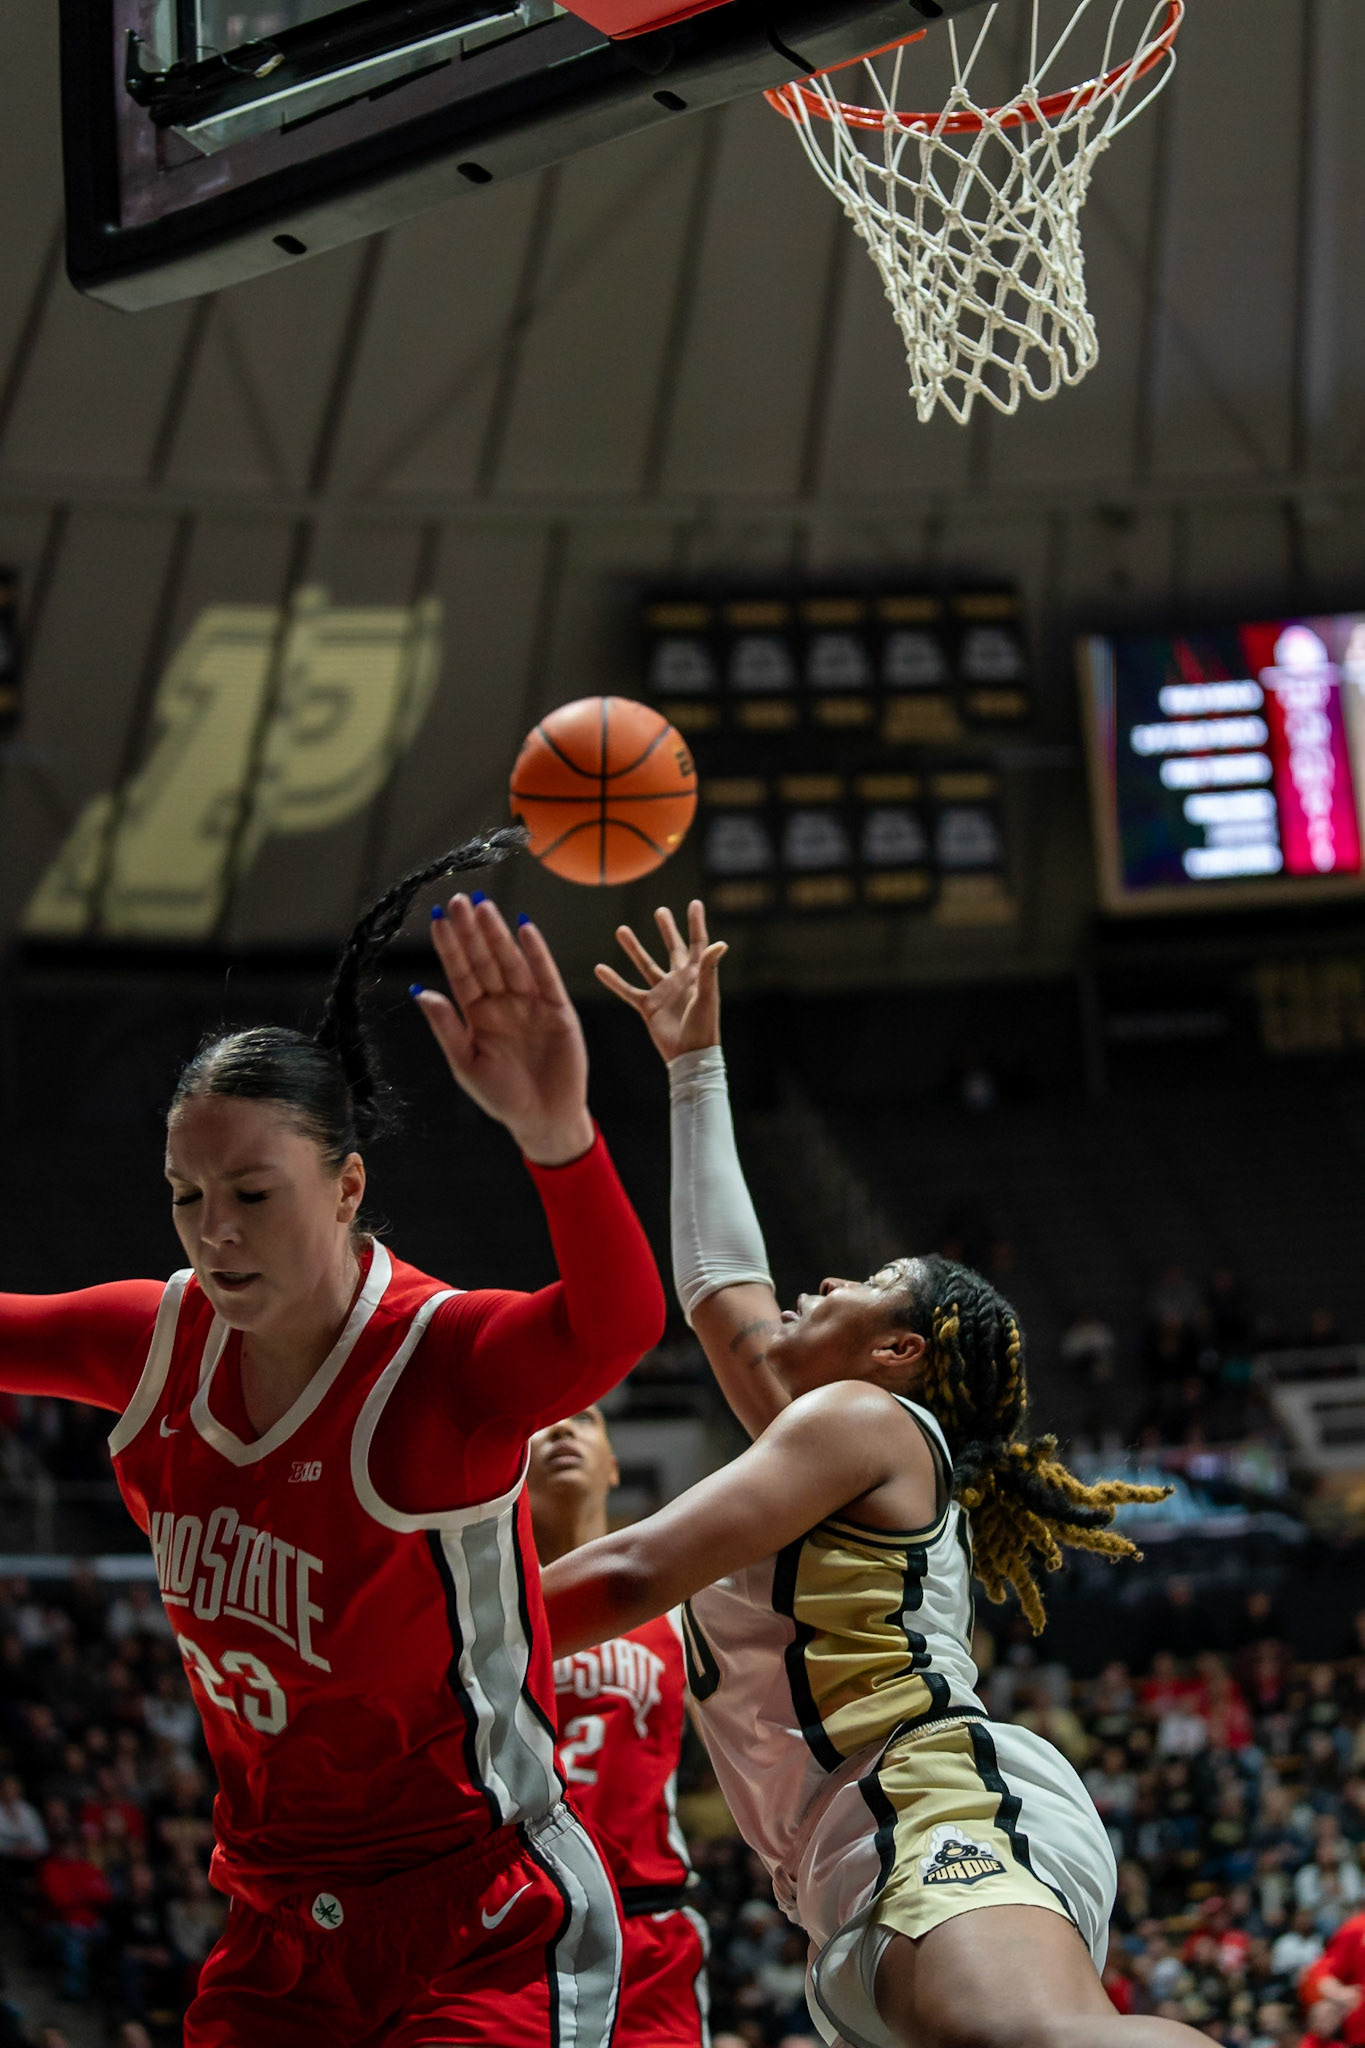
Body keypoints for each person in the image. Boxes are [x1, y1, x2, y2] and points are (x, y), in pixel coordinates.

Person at [0, 831, 665, 2047]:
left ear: (348, 1188)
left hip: (480, 1913)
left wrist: (559, 1135)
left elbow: (616, 1325)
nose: (215, 1232)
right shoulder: (154, 1342)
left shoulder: (432, 1360)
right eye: (186, 1196)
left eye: (254, 1194)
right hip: (275, 1930)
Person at [543, 900, 1211, 2048]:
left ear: (899, 1351)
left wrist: (401, 1640)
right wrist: (694, 1061)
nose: (822, 1283)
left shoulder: (862, 1419)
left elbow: (635, 1567)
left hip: (928, 1798)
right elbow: (718, 1289)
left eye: (864, 1279)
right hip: (845, 1858)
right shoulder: (835, 1440)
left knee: (1043, 2040)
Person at [447, 1405, 708, 2045]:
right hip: (510, 1924)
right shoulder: (470, 1611)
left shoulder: (682, 1609)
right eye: (542, 1422)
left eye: (586, 1420)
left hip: (648, 1919)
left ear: (615, 1466)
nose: (563, 1429)